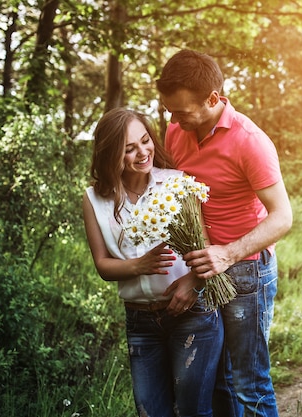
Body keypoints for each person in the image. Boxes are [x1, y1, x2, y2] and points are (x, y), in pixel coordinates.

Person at [156, 50, 293, 417]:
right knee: (219, 382)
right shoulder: (176, 131)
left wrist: (227, 254)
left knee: (249, 383)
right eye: (170, 110)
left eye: (182, 111)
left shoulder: (251, 142)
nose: (173, 119)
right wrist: (193, 274)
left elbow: (282, 218)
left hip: (247, 270)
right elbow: (181, 204)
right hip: (204, 267)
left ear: (213, 99)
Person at [82, 107, 224, 417]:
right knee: (150, 411)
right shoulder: (94, 199)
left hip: (192, 314)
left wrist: (194, 284)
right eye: (129, 149)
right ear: (109, 154)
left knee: (193, 411)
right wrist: (139, 266)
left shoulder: (177, 183)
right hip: (140, 322)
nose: (142, 152)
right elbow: (103, 265)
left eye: (145, 141)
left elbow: (205, 248)